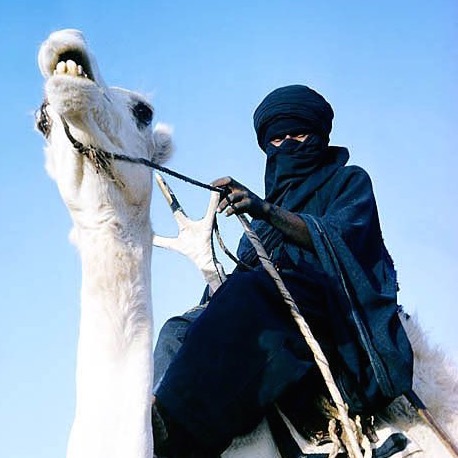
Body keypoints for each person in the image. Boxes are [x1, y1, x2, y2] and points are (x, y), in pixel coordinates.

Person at [152, 84, 413, 457]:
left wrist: (266, 211)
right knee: (179, 327)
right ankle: (157, 420)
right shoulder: (256, 230)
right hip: (264, 311)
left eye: (299, 134)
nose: (288, 145)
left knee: (250, 293)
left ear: (320, 136)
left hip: (332, 316)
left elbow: (341, 240)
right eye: (278, 138)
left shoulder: (348, 182)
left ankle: (181, 426)